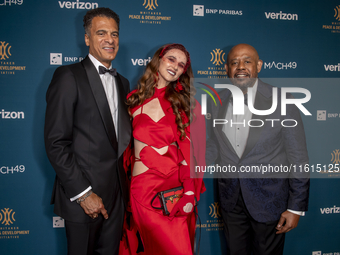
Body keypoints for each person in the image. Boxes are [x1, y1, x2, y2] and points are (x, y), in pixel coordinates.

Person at [206, 43, 310, 255]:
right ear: (227, 68)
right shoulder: (217, 101)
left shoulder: (282, 99)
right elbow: (214, 147)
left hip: (269, 201)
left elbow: (298, 157)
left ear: (259, 65)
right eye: (234, 62)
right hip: (231, 201)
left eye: (247, 61)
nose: (240, 67)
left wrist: (295, 207)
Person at [44, 7, 131, 255]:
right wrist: (84, 195)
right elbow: (56, 142)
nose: (109, 40)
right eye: (101, 33)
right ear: (87, 38)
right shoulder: (68, 76)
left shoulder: (122, 82)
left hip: (117, 197)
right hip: (83, 195)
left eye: (114, 34)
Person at [121, 43, 206, 255]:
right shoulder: (134, 100)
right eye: (171, 59)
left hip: (172, 193)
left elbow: (194, 155)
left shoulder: (188, 105)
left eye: (181, 65)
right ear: (158, 60)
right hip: (142, 190)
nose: (175, 66)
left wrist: (188, 191)